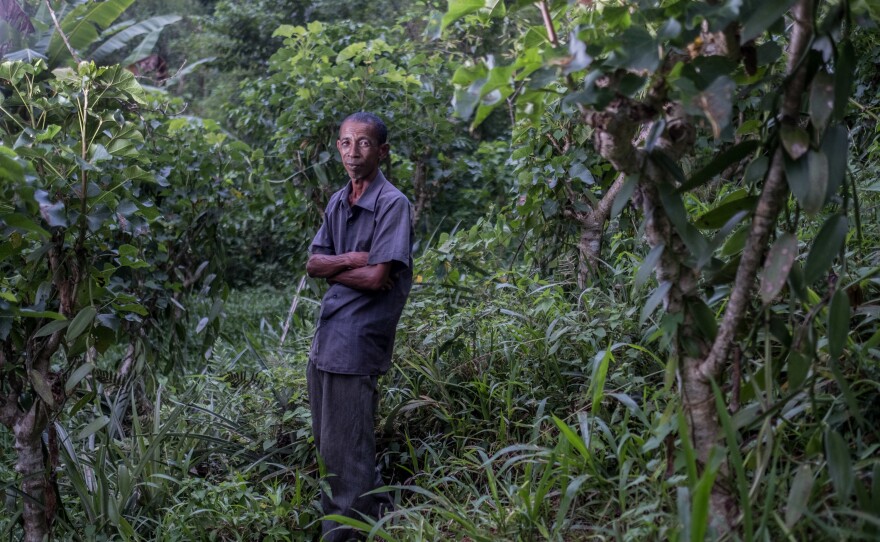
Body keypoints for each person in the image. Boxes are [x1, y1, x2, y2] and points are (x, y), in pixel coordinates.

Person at [305, 112, 413, 541]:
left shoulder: (392, 204)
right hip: (327, 339)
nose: (354, 151)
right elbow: (314, 263)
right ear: (338, 147)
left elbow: (376, 279)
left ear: (382, 151)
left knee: (347, 457)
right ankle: (377, 522)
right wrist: (350, 259)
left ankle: (347, 535)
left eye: (364, 143)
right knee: (331, 451)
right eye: (347, 142)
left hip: (357, 344)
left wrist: (336, 268)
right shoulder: (338, 200)